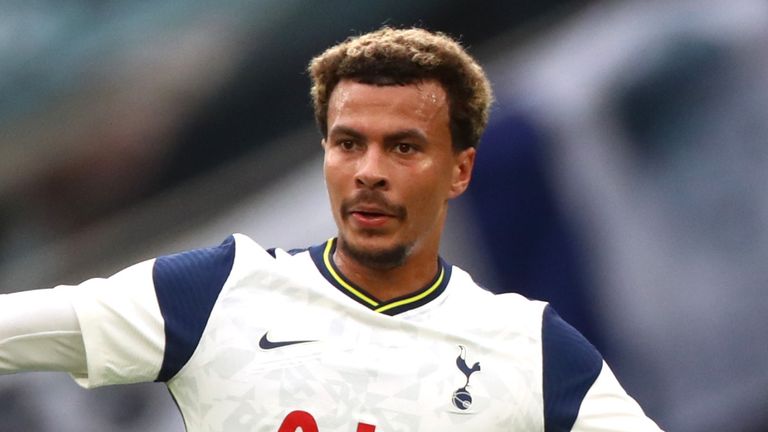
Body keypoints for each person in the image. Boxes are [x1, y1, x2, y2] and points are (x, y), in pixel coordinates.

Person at [0, 27, 662, 431]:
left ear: (460, 170)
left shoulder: (534, 352)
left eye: (404, 148)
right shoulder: (204, 296)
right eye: (350, 145)